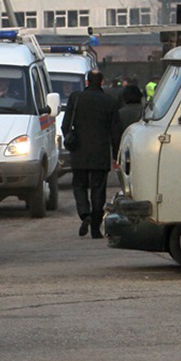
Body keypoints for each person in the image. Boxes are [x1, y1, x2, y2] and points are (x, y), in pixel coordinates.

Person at [62, 69, 121, 238]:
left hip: (79, 151)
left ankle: (84, 214)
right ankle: (96, 227)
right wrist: (116, 155)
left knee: (79, 185)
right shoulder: (110, 101)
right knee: (98, 189)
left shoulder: (76, 98)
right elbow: (115, 131)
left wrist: (70, 138)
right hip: (100, 152)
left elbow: (66, 125)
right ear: (102, 82)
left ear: (87, 82)